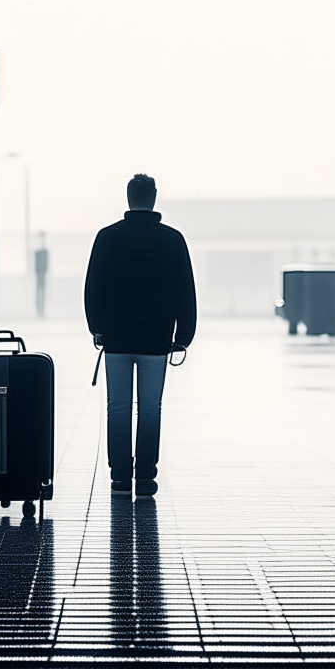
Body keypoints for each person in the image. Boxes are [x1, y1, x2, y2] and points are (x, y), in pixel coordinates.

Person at [84, 173, 197, 497]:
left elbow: (93, 287)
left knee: (118, 407)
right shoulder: (172, 239)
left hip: (117, 339)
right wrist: (183, 335)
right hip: (156, 339)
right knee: (150, 408)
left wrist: (97, 328)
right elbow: (184, 290)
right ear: (154, 197)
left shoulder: (107, 237)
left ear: (128, 197)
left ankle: (119, 477)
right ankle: (145, 476)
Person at [34, 231, 49, 318]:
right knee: (38, 293)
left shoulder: (44, 251)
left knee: (41, 293)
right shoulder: (38, 251)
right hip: (38, 274)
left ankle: (41, 310)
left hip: (42, 274)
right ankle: (38, 310)